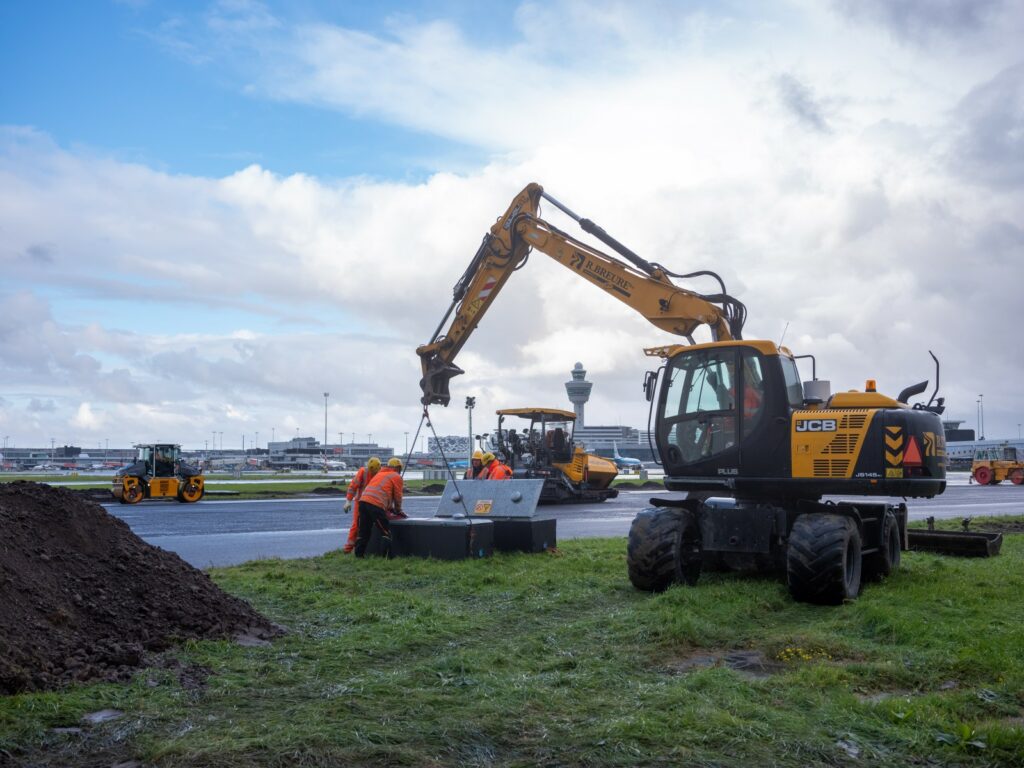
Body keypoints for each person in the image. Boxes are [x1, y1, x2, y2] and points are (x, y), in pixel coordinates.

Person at [354, 457, 406, 558]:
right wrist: (398, 510)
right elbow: (397, 496)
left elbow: (382, 493)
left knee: (364, 531)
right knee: (385, 531)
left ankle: (359, 556)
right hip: (375, 505)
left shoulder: (380, 474)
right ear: (398, 468)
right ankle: (386, 557)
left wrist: (388, 507)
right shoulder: (396, 476)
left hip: (363, 503)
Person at [342, 456, 381, 553]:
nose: (373, 473)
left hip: (373, 503)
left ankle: (368, 548)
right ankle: (348, 549)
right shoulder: (363, 472)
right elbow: (353, 487)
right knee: (356, 526)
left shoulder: (380, 474)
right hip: (360, 503)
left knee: (372, 525)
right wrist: (348, 501)